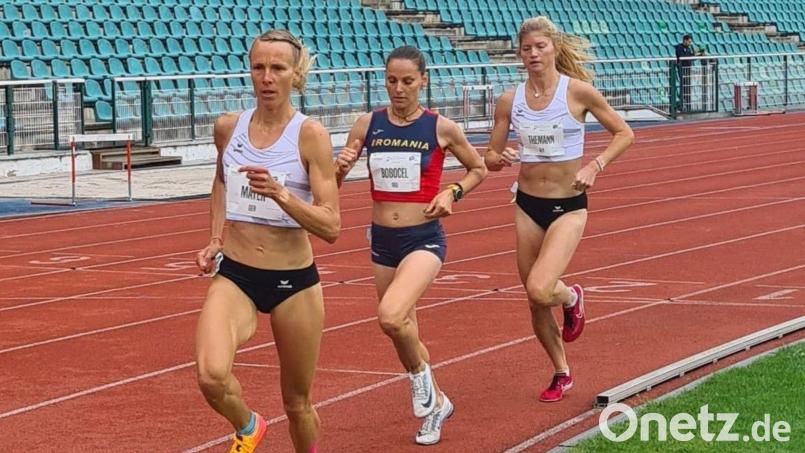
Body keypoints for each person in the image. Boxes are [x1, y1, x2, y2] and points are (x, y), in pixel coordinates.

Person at [194, 29, 340, 453]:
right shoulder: (228, 127)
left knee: (297, 403)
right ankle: (248, 426)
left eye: (278, 68)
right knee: (210, 375)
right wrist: (215, 238)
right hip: (236, 273)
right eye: (259, 67)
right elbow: (221, 183)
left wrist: (282, 194)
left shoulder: (309, 135)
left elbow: (331, 226)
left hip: (293, 282)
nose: (267, 77)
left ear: (297, 74)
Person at [334, 46, 487, 445]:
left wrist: (452, 192)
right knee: (403, 329)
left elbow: (478, 168)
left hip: (423, 238)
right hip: (382, 240)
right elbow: (330, 185)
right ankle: (436, 406)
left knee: (390, 315)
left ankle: (421, 382)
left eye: (407, 81)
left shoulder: (442, 127)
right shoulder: (367, 124)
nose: (398, 89)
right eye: (391, 81)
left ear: (423, 81)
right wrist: (339, 168)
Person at [484, 16, 634, 403]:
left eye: (540, 47)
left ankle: (571, 298)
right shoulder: (509, 101)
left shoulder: (578, 92)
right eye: (526, 48)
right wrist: (500, 159)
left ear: (554, 48)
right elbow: (490, 155)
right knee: (533, 299)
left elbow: (625, 133)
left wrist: (594, 165)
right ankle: (561, 371)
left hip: (569, 205)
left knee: (541, 286)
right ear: (519, 54)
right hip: (528, 204)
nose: (533, 54)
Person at [674, 34, 697, 111]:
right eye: (689, 42)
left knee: (687, 88)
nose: (690, 43)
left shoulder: (689, 48)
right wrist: (692, 55)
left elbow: (691, 59)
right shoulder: (679, 48)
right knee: (683, 87)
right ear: (685, 40)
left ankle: (687, 105)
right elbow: (683, 58)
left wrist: (695, 55)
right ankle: (681, 105)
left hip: (688, 70)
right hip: (682, 70)